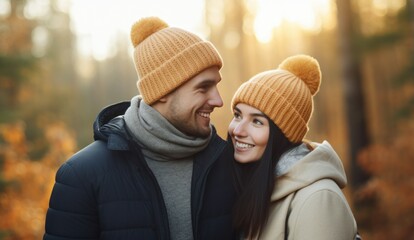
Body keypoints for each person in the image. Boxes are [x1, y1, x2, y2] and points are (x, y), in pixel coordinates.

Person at [44, 16, 237, 240]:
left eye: (216, 85)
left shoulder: (230, 163)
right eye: (204, 88)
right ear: (163, 91)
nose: (219, 100)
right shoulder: (81, 176)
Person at [228, 54, 359, 239]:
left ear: (283, 133)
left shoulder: (318, 199)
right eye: (238, 115)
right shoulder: (256, 187)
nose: (238, 130)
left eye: (257, 121)